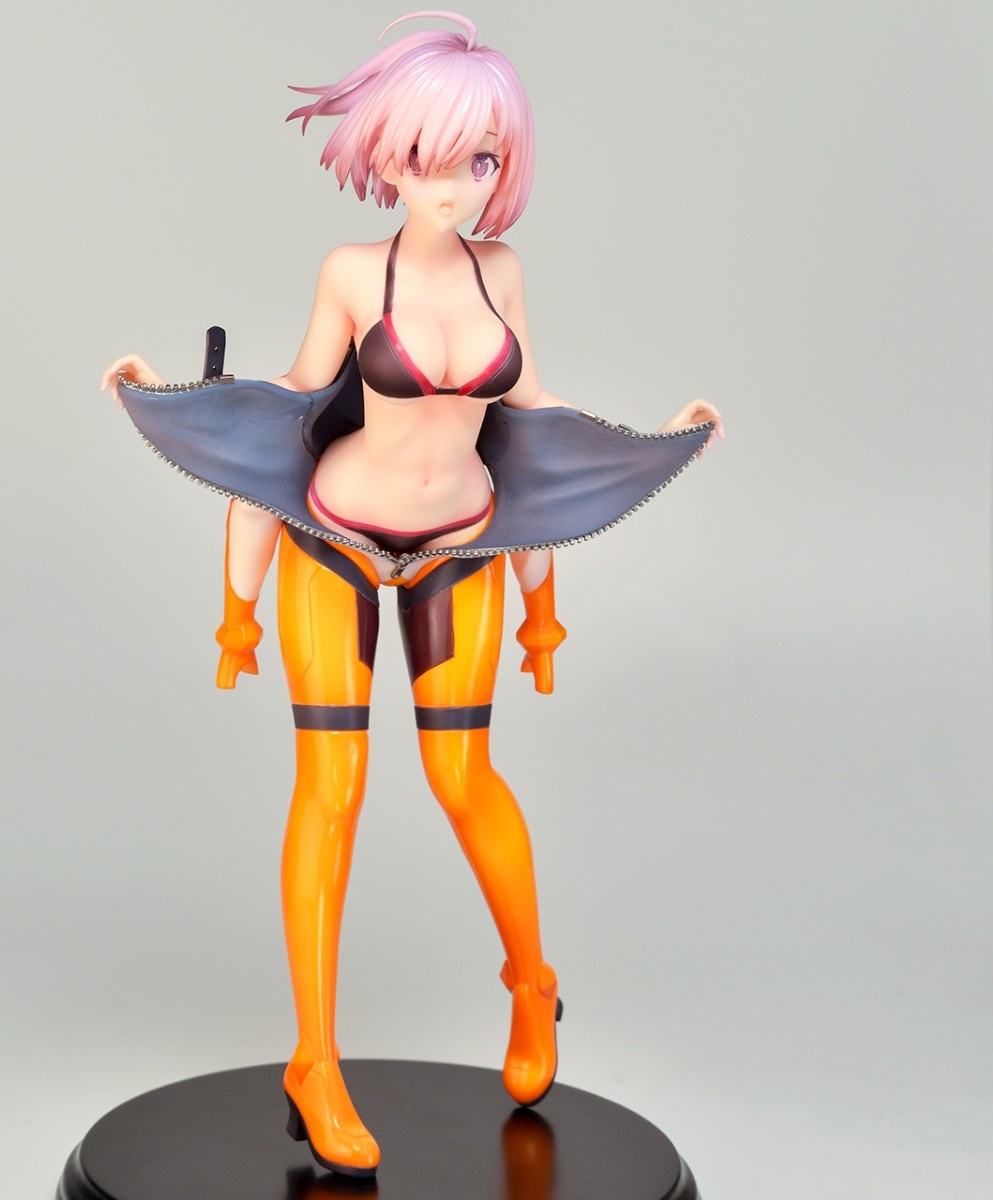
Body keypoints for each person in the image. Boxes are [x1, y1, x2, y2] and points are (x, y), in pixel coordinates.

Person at [101, 12, 723, 1178]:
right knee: (331, 790)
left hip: (463, 546)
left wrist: (640, 463)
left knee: (462, 777)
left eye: (482, 159)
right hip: (335, 541)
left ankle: (531, 984)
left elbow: (533, 439)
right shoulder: (352, 274)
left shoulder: (503, 273)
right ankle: (314, 1060)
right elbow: (282, 424)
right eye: (434, 157)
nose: (457, 184)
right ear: (388, 157)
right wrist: (187, 428)